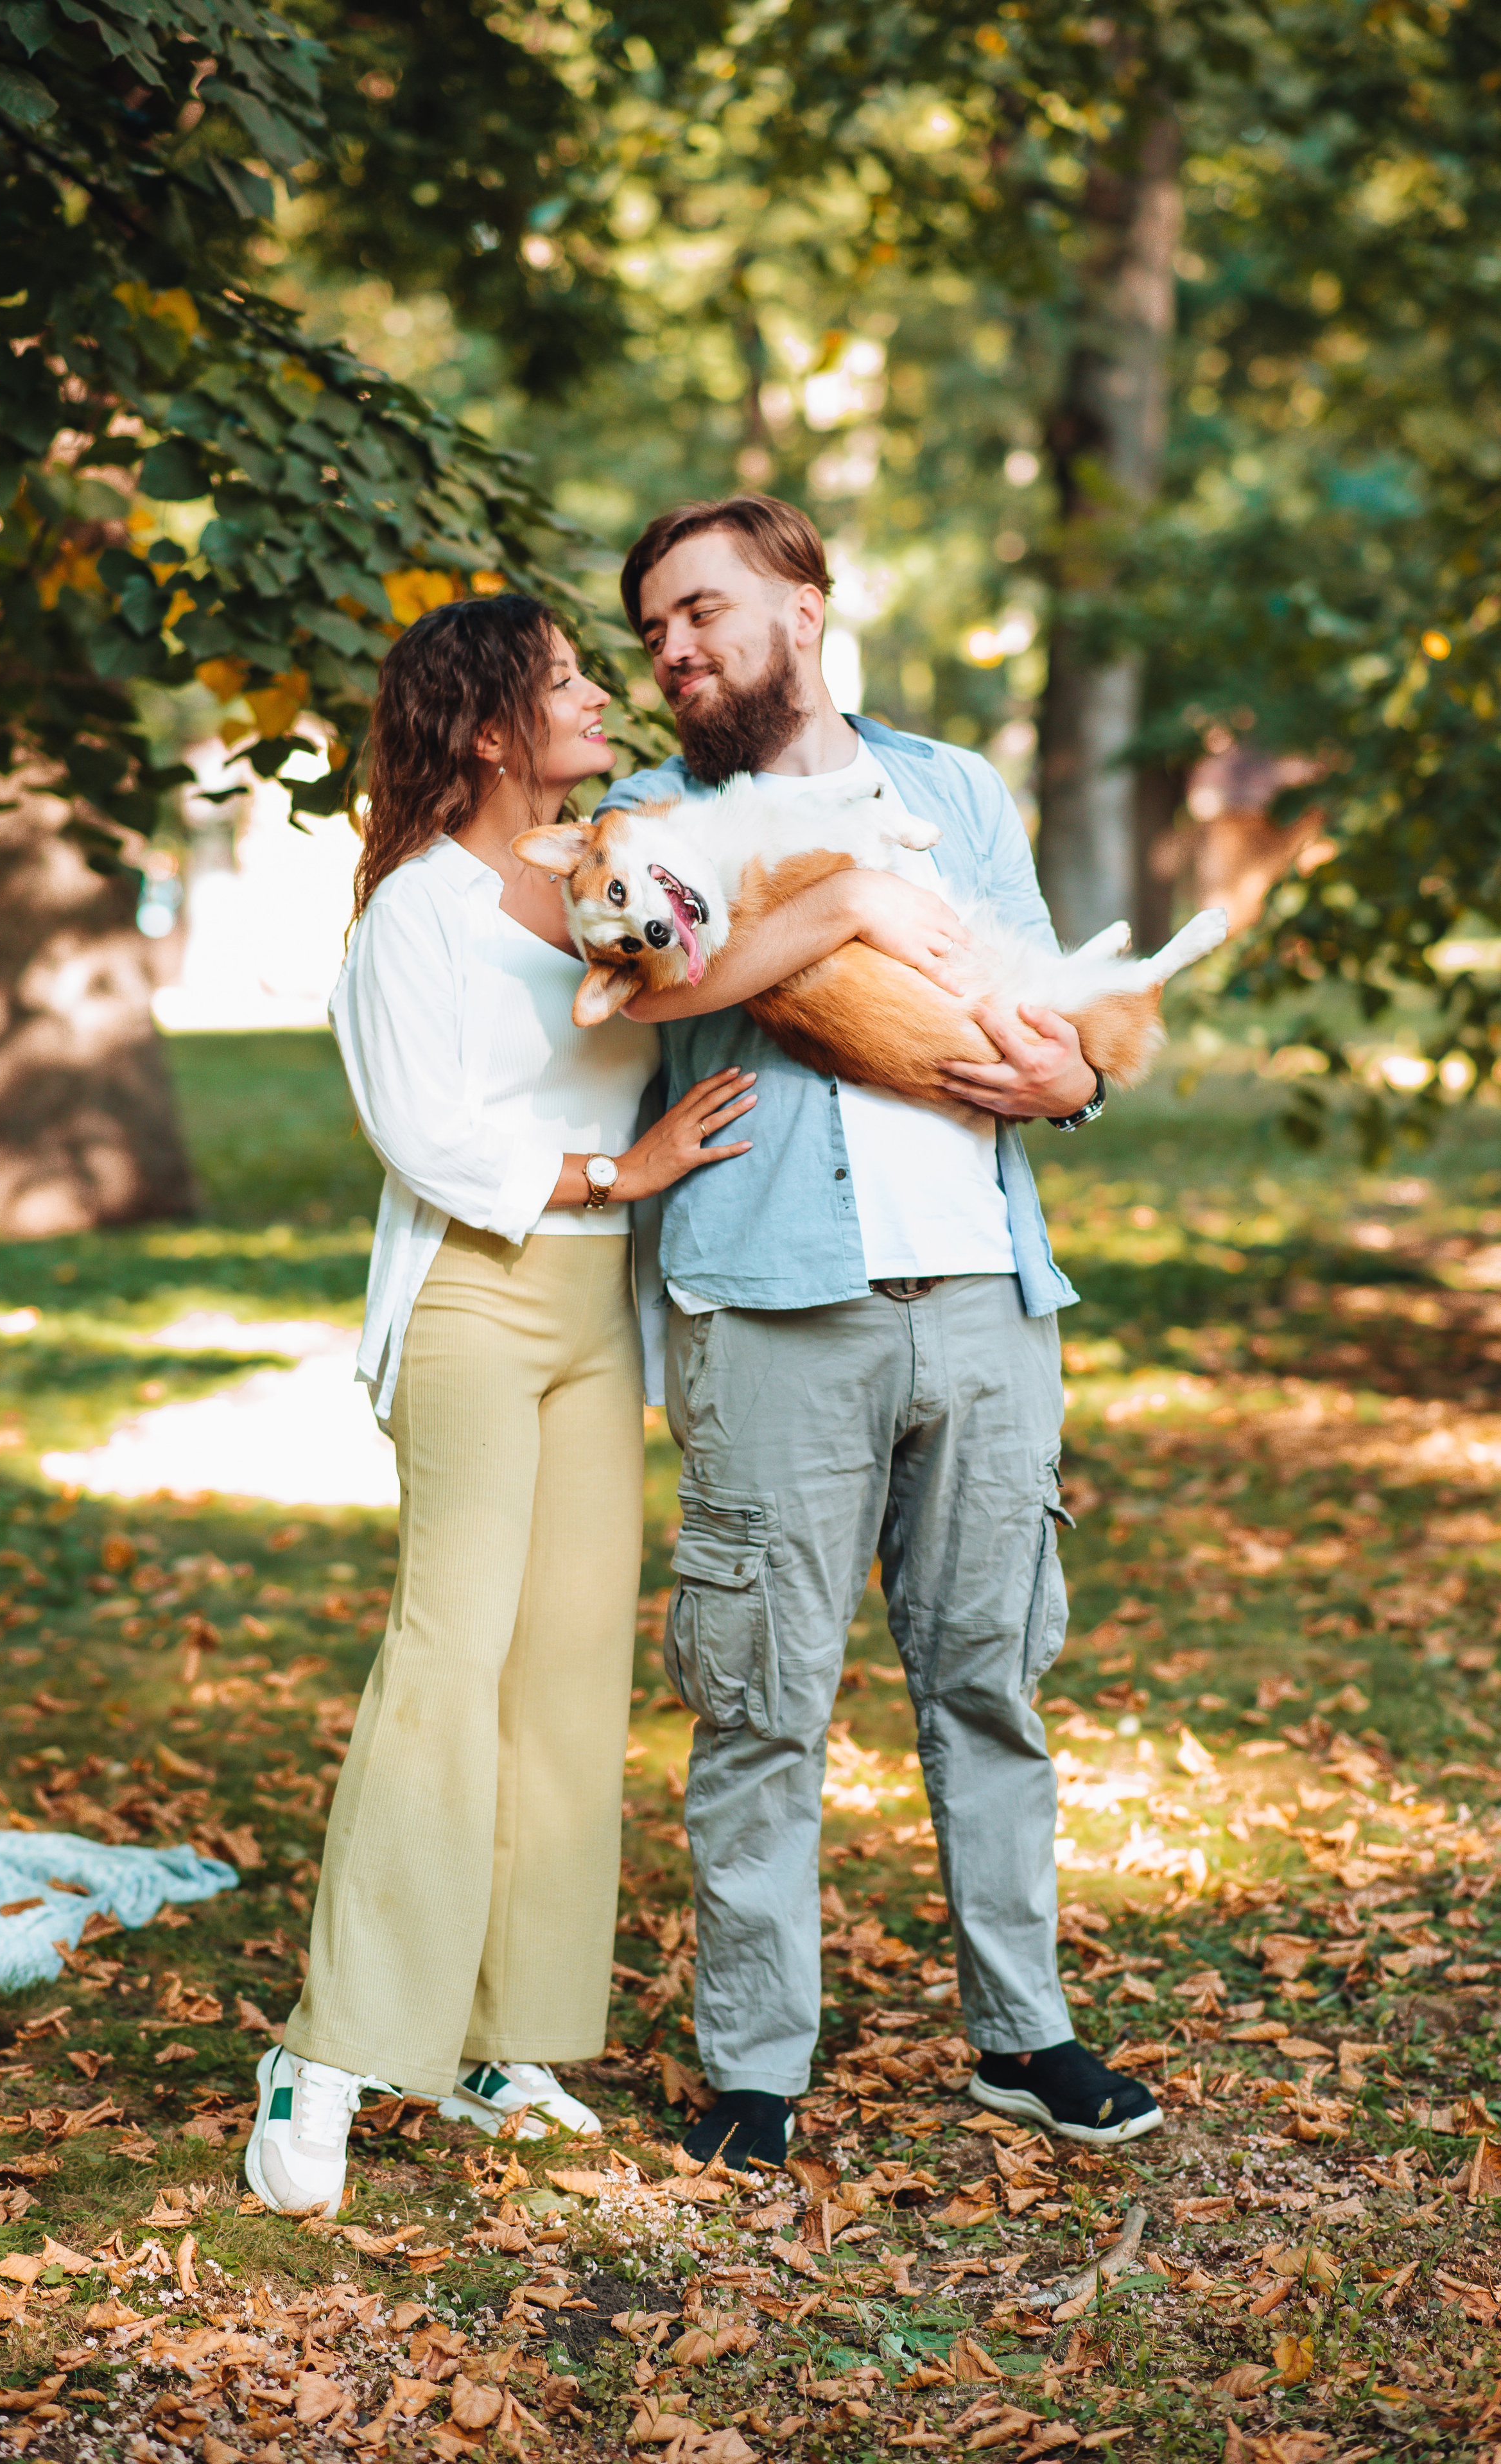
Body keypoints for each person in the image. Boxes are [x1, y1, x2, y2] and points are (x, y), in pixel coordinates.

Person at [597, 495, 1163, 2162]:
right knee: (765, 1697)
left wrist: (1084, 1079)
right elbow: (655, 974)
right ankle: (757, 2071)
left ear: (802, 601)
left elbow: (1042, 1002)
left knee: (991, 1674)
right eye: (652, 632)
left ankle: (1025, 2032)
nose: (678, 648)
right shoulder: (652, 813)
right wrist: (841, 904)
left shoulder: (956, 790)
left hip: (986, 1293)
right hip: (775, 1307)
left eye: (704, 608)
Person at [243, 593, 770, 2217]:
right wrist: (625, 1165)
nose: (605, 694)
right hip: (475, 1289)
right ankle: (325, 2052)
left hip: (594, 1308)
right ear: (485, 729)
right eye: (567, 682)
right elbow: (424, 1135)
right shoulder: (412, 910)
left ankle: (496, 2036)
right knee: (446, 1658)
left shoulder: (609, 871)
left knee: (562, 1676)